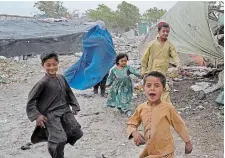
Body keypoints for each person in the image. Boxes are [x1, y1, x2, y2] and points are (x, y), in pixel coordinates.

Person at [26, 51, 83, 158]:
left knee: (77, 132)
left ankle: (55, 141)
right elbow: (31, 101)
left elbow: (69, 92)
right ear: (42, 65)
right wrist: (37, 115)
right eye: (48, 65)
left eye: (54, 64)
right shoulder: (42, 83)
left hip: (65, 111)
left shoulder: (61, 78)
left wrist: (75, 105)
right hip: (51, 115)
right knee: (59, 141)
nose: (52, 68)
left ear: (58, 63)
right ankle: (55, 148)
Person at [127, 71, 193, 158]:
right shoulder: (141, 108)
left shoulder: (168, 108)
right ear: (143, 88)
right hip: (150, 149)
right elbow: (131, 123)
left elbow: (180, 125)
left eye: (157, 86)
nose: (152, 88)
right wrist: (134, 133)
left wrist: (187, 142)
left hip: (165, 151)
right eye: (148, 85)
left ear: (164, 89)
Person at [141, 22, 182, 103]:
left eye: (167, 31)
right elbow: (144, 58)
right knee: (157, 90)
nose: (165, 33)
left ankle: (164, 109)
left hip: (163, 72)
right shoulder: (152, 44)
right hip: (152, 72)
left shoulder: (169, 45)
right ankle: (160, 108)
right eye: (163, 31)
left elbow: (174, 55)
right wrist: (143, 71)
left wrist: (179, 64)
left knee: (162, 90)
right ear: (158, 32)